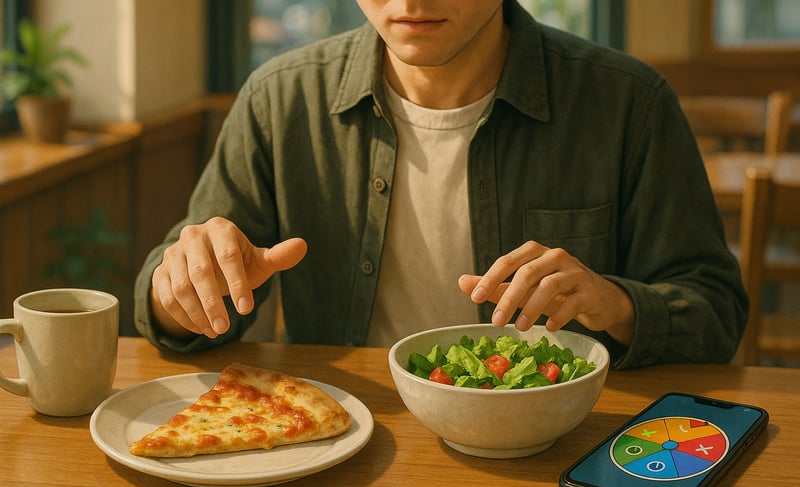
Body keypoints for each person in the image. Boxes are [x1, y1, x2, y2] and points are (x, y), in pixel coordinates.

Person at [134, 0, 748, 369]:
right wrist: (183, 289)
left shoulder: (626, 104)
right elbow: (175, 302)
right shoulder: (280, 99)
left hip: (555, 456)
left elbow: (716, 314)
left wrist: (615, 304)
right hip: (339, 447)